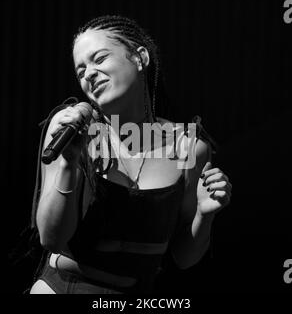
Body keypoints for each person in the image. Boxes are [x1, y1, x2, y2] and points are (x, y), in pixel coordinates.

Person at [28, 15, 232, 294]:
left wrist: (205, 216)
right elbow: (51, 239)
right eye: (80, 70)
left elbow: (184, 259)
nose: (88, 73)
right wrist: (67, 163)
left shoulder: (188, 146)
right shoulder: (74, 128)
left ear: (140, 58)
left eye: (99, 59)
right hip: (61, 287)